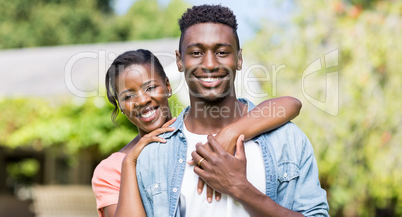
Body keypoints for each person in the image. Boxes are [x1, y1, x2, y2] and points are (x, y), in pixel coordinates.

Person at [135, 4, 329, 216]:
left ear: (239, 59)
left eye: (222, 52)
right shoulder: (154, 155)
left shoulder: (287, 139)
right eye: (197, 52)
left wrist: (240, 188)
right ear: (180, 61)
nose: (209, 64)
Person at [92, 49, 303, 217]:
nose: (142, 100)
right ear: (119, 105)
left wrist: (232, 132)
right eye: (128, 96)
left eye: (150, 88)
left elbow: (290, 104)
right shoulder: (111, 170)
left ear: (167, 86)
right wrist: (130, 163)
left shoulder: (199, 133)